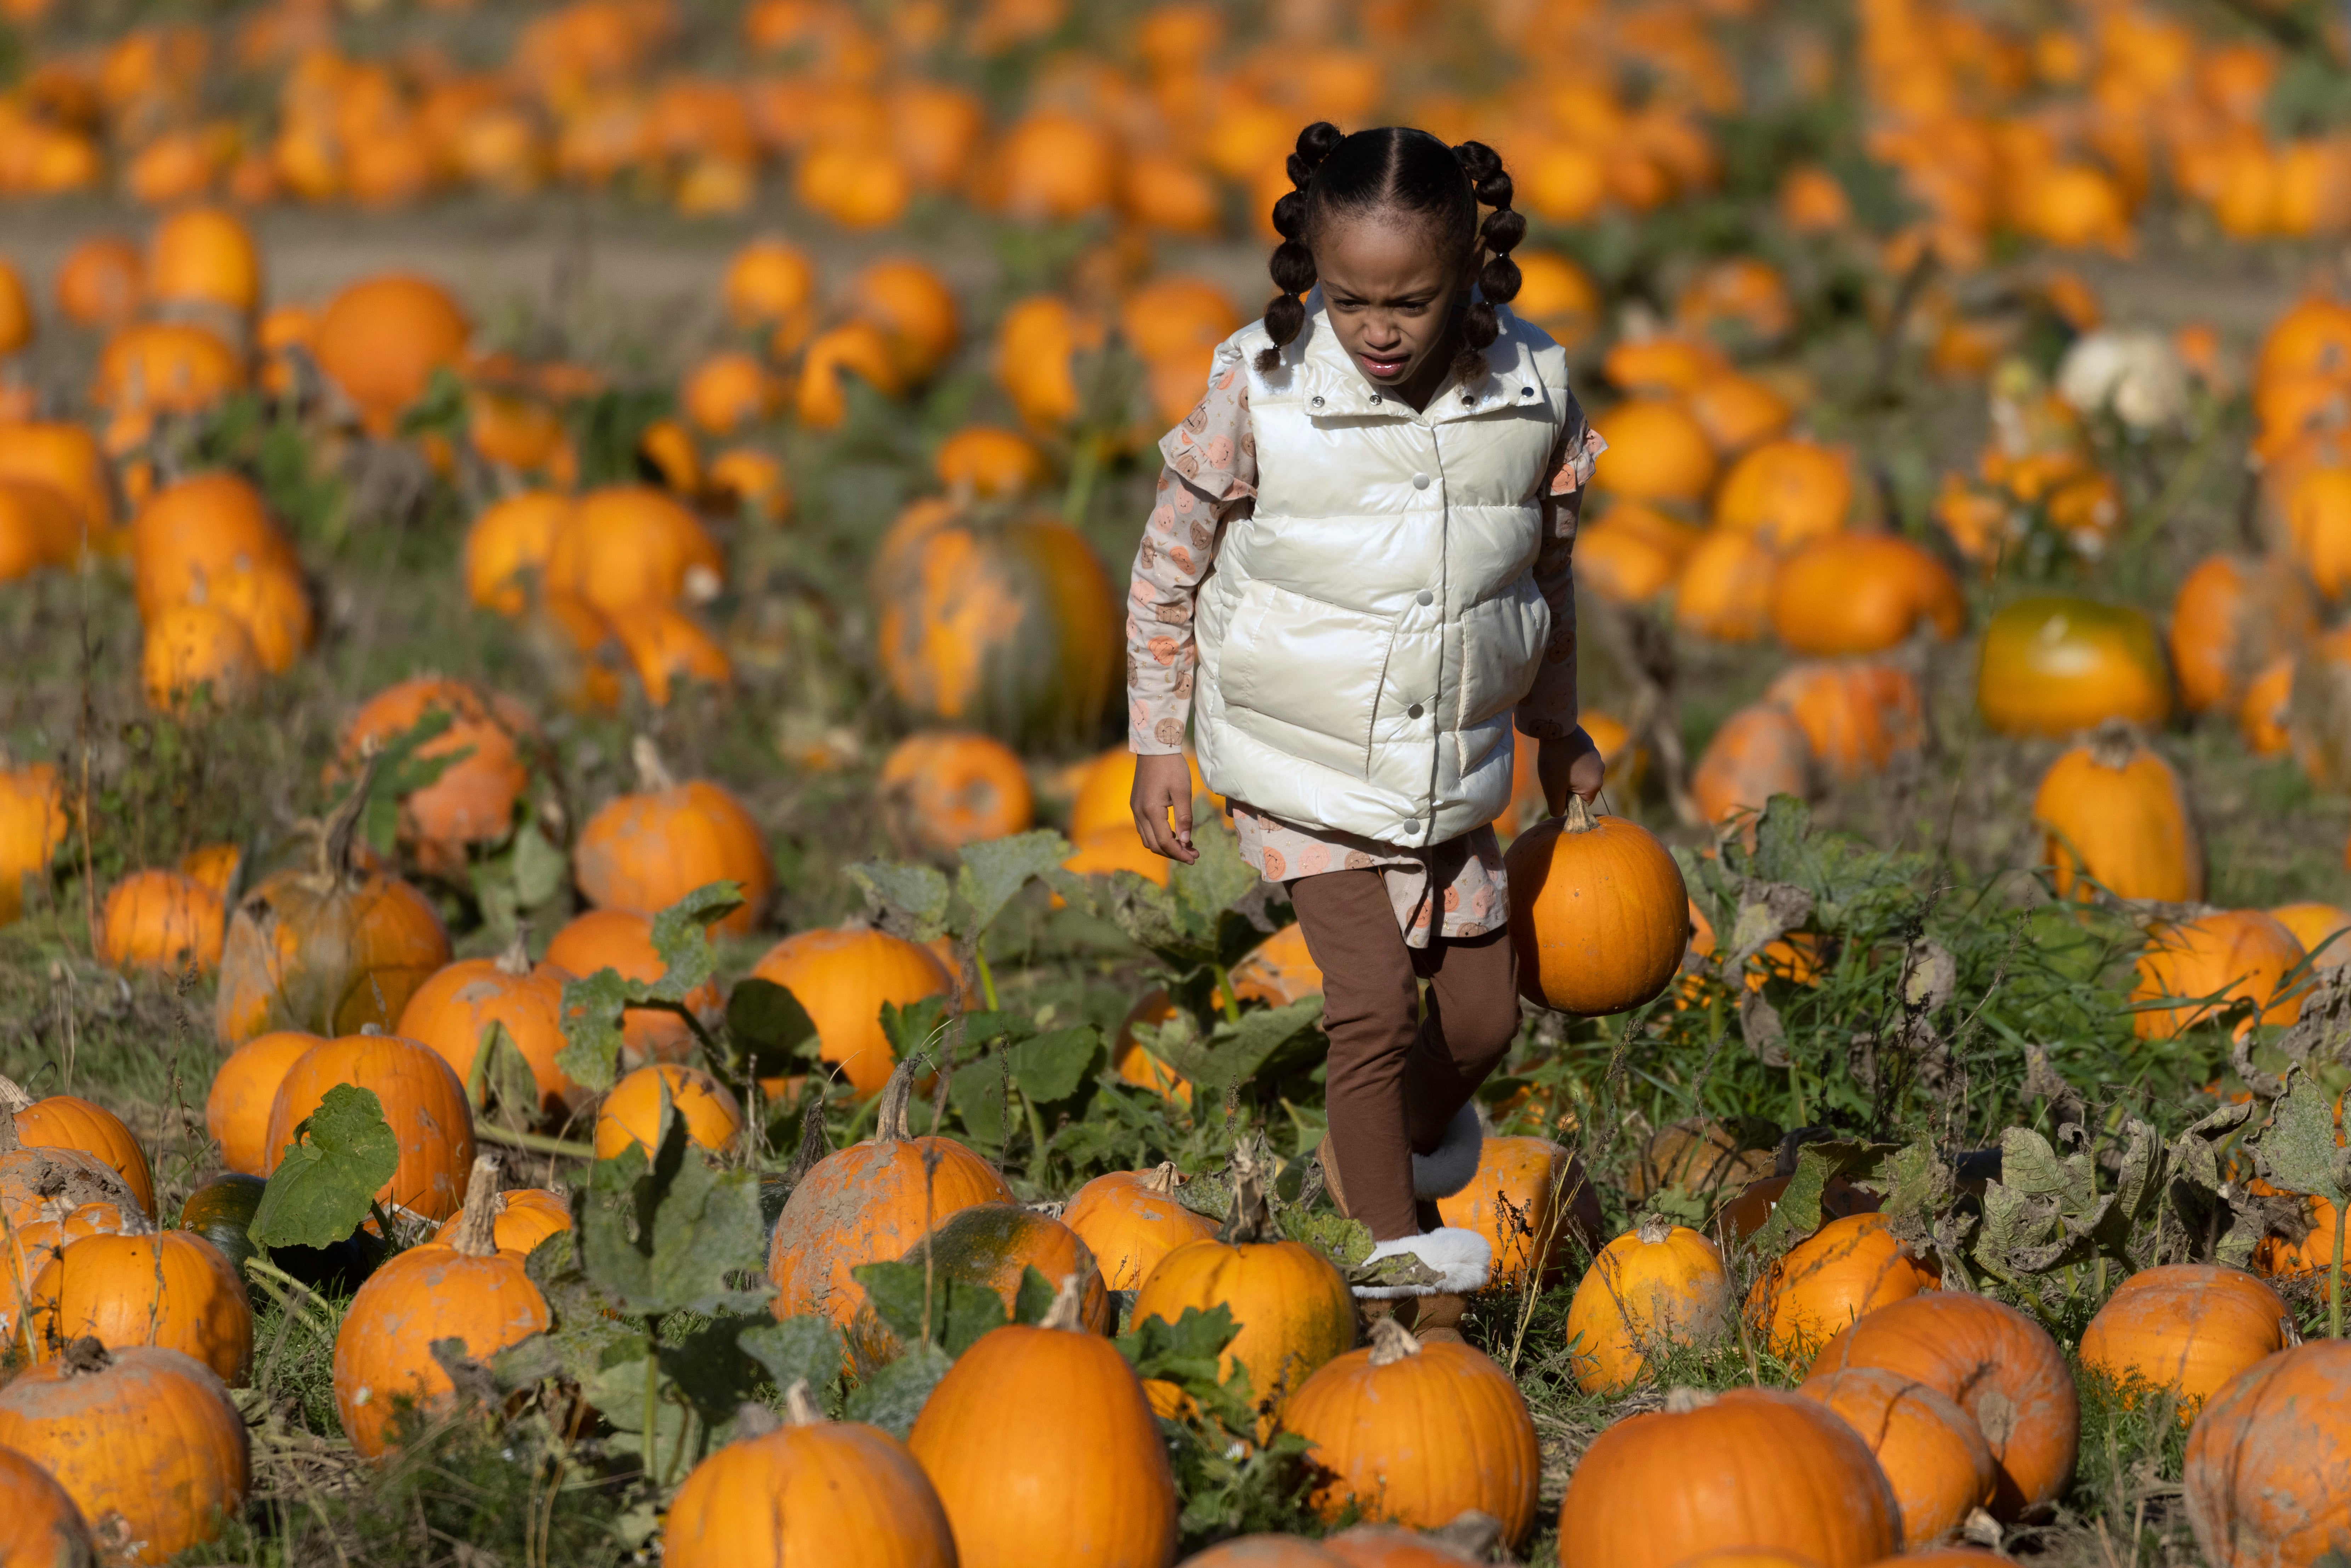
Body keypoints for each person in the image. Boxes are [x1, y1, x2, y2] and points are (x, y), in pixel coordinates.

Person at [1125, 121, 1607, 1334]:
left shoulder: (1531, 392)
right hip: (1302, 763)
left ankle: (1369, 1144)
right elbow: (1166, 569)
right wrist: (1158, 740)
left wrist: (1558, 727)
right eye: (1349, 301)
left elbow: (1544, 583)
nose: (1379, 330)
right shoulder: (1262, 389)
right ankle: (1402, 1277)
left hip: (1448, 773)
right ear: (1309, 277)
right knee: (1375, 1010)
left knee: (1487, 1015)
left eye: (1410, 300)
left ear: (1475, 273)